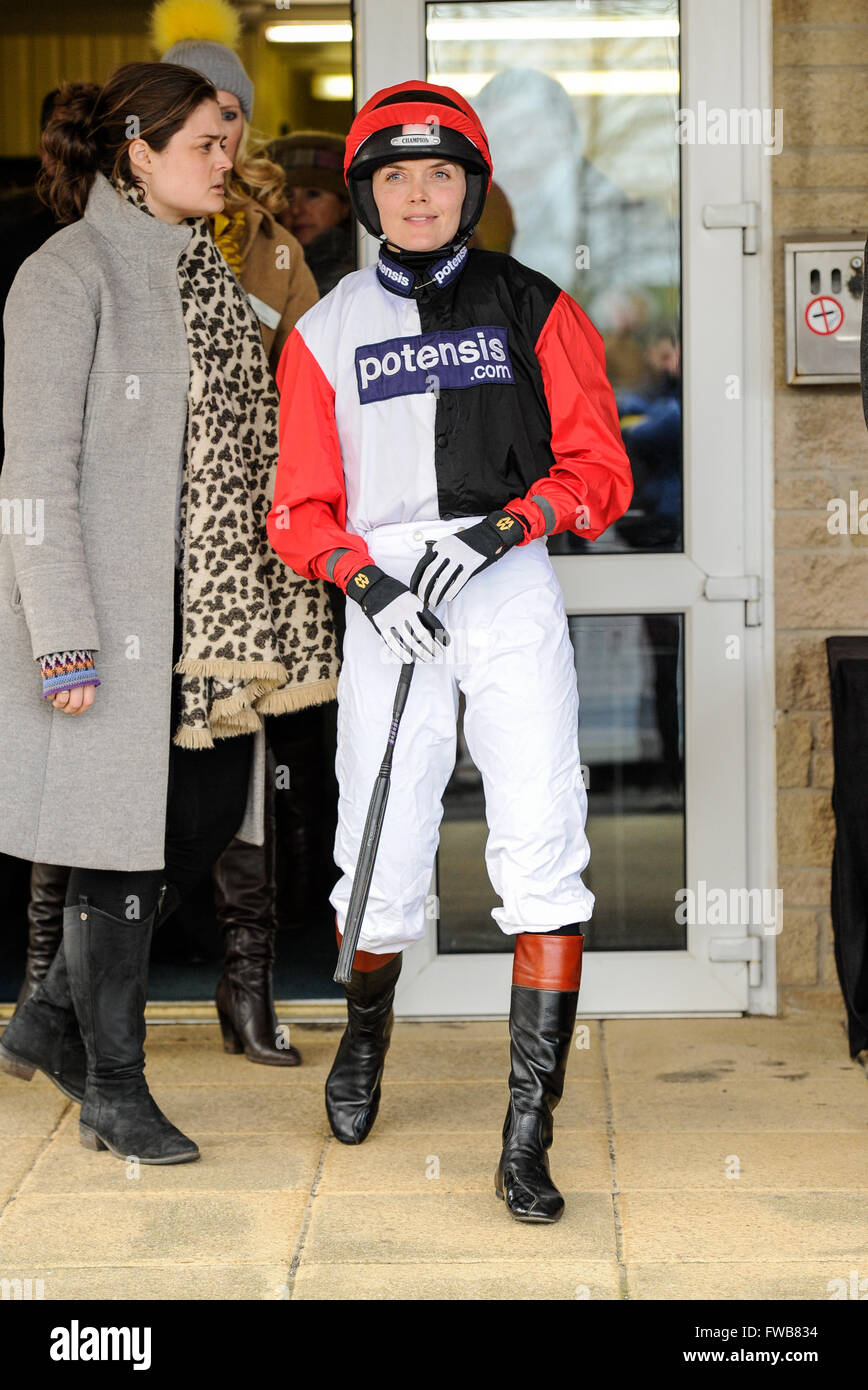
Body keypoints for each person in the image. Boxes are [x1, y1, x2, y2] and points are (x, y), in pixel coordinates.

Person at [266, 81, 633, 1222]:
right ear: (368, 193)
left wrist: (508, 524)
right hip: (387, 605)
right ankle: (363, 1041)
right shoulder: (323, 330)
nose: (416, 195)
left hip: (504, 585)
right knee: (377, 856)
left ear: (470, 188)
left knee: (540, 843)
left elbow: (599, 471)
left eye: (437, 176)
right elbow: (296, 509)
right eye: (392, 177)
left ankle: (527, 1135)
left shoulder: (535, 305)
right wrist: (361, 577)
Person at [0, 62, 338, 1165]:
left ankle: (49, 1017)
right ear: (136, 153)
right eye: (204, 142)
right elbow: (36, 474)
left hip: (206, 629)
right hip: (105, 620)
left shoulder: (203, 264)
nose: (225, 162)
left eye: (227, 140)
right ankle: (113, 1084)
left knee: (187, 828)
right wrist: (63, 640)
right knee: (113, 853)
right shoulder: (66, 274)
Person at [153, 0, 325, 1065]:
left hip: (237, 559)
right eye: (193, 123)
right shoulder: (103, 244)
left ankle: (245, 986)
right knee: (113, 773)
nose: (215, 145)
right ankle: (55, 985)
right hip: (141, 548)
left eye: (228, 124)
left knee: (245, 765)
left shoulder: (269, 254)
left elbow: (305, 397)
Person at [266, 132, 355, 297]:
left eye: (313, 194)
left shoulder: (361, 270)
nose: (296, 210)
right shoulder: (265, 263)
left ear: (345, 205)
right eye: (288, 196)